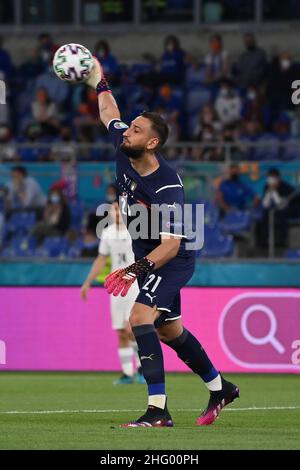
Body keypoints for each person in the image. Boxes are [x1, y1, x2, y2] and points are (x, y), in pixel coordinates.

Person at [83, 58, 240, 427]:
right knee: (169, 330)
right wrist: (99, 81)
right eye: (129, 128)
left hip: (170, 260)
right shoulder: (124, 149)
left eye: (135, 131)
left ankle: (157, 412)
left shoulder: (168, 186)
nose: (126, 133)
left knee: (140, 317)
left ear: (151, 142)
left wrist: (132, 269)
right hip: (149, 257)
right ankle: (221, 389)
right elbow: (110, 113)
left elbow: (171, 246)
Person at [81, 202, 145, 384]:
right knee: (120, 331)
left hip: (134, 284)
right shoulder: (107, 233)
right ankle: (127, 373)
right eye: (113, 209)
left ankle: (142, 369)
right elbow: (101, 259)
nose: (116, 213)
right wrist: (87, 282)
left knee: (132, 327)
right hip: (117, 287)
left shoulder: (135, 230)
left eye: (119, 209)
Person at [256, 168, 300, 247]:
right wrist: (270, 191)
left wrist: (274, 192)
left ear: (278, 178)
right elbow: (265, 204)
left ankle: (282, 240)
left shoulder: (286, 187)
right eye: (269, 178)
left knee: (281, 212)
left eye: (273, 178)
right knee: (266, 213)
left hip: (293, 207)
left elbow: (281, 204)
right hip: (278, 208)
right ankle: (264, 240)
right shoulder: (267, 187)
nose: (271, 180)